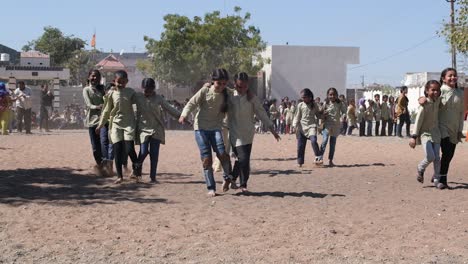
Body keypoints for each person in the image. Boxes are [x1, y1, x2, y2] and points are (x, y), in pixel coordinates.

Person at [179, 68, 232, 197]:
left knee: (222, 153)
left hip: (215, 128)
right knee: (206, 158)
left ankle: (227, 177)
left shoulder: (228, 93)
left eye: (224, 83)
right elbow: (191, 103)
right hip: (201, 128)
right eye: (219, 83)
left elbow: (240, 93)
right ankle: (211, 188)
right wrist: (183, 115)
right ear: (213, 81)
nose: (221, 86)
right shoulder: (205, 91)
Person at [228, 72, 280, 192]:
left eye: (245, 87)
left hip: (248, 133)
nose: (242, 89)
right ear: (234, 84)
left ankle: (243, 185)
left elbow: (262, 113)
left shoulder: (252, 98)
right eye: (239, 86)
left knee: (244, 160)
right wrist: (208, 85)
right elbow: (217, 88)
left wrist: (272, 129)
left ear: (248, 85)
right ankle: (231, 178)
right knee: (243, 158)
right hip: (235, 133)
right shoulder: (230, 95)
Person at [96, 70, 139, 184]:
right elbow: (106, 110)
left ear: (127, 82)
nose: (121, 84)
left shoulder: (131, 92)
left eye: (123, 82)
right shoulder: (111, 94)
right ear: (114, 81)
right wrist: (100, 125)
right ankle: (120, 176)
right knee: (117, 150)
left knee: (129, 149)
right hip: (115, 125)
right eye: (119, 82)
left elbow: (140, 103)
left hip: (129, 124)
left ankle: (136, 169)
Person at [135, 78, 181, 183]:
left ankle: (153, 177)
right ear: (142, 88)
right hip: (143, 128)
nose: (147, 92)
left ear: (153, 89)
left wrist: (181, 116)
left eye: (150, 90)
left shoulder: (158, 98)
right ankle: (137, 170)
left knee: (154, 154)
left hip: (156, 129)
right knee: (143, 152)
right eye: (146, 90)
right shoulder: (138, 97)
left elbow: (169, 109)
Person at [409, 80, 441, 186]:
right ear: (427, 91)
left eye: (437, 90)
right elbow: (418, 121)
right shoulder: (424, 105)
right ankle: (420, 167)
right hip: (425, 134)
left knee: (437, 157)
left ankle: (437, 179)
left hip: (436, 133)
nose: (435, 92)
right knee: (430, 156)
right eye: (433, 90)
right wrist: (413, 137)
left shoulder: (438, 102)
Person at [437, 68, 464, 189]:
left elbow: (460, 113)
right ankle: (442, 179)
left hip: (454, 128)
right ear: (443, 79)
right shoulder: (439, 91)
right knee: (446, 152)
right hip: (441, 126)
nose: (453, 78)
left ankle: (437, 173)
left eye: (455, 76)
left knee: (450, 155)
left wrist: (459, 130)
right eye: (450, 76)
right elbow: (429, 103)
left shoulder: (460, 93)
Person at [82, 70, 107, 174]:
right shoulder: (86, 90)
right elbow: (88, 104)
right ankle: (99, 165)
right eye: (93, 76)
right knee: (95, 147)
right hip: (92, 121)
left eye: (97, 76)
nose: (95, 78)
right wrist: (97, 106)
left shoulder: (103, 89)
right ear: (88, 77)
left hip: (103, 121)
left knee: (103, 143)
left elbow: (108, 101)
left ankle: (107, 165)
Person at [317, 87, 346, 166]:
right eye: (330, 95)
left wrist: (343, 116)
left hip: (336, 126)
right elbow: (320, 113)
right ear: (327, 95)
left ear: (336, 95)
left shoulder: (340, 103)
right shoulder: (325, 103)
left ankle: (330, 160)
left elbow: (344, 111)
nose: (332, 96)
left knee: (332, 143)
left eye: (334, 94)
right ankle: (319, 158)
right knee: (325, 140)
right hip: (327, 125)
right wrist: (323, 114)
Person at [293, 88, 322, 167]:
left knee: (313, 141)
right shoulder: (300, 105)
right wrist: (294, 126)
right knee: (300, 146)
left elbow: (318, 115)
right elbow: (297, 116)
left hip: (311, 127)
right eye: (302, 97)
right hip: (301, 128)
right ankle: (300, 162)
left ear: (309, 97)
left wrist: (323, 114)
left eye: (304, 97)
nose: (303, 99)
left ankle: (318, 158)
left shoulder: (314, 105)